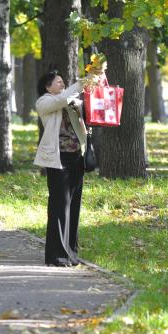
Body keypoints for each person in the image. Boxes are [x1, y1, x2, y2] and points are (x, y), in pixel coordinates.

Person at [34, 69, 99, 267]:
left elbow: (85, 111)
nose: (62, 84)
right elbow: (61, 99)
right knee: (59, 205)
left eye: (63, 82)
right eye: (58, 82)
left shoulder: (70, 101)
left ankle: (71, 253)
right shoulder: (44, 102)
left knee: (74, 206)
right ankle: (57, 256)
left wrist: (95, 85)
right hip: (57, 159)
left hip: (76, 158)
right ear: (48, 86)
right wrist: (82, 82)